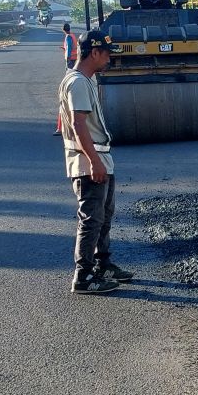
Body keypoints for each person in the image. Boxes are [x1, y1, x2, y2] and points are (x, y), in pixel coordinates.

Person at [58, 30, 134, 295]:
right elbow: (79, 125)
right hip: (87, 161)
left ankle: (103, 265)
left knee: (103, 217)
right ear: (95, 52)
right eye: (107, 54)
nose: (110, 59)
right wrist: (93, 162)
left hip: (100, 156)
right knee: (91, 219)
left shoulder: (86, 80)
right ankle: (83, 276)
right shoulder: (78, 82)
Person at [53, 23, 79, 137]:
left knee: (69, 76)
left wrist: (67, 56)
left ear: (63, 30)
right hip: (75, 59)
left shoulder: (68, 37)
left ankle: (61, 128)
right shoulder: (73, 35)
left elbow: (69, 48)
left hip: (71, 60)